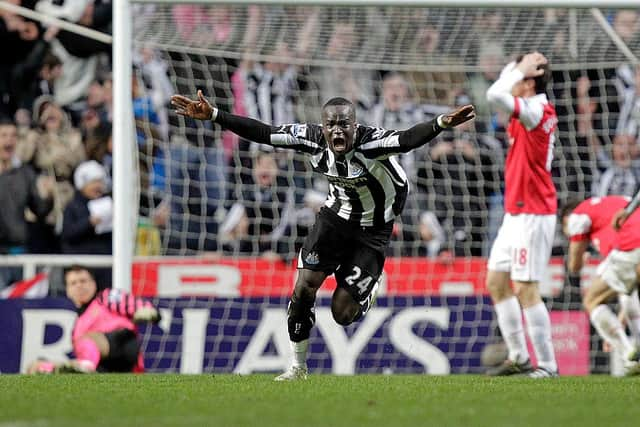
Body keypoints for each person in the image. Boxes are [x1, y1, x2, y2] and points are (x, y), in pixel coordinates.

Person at [171, 90, 475, 380]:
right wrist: (213, 115)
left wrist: (442, 123)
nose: (337, 130)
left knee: (342, 314)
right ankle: (297, 366)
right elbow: (264, 132)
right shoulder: (310, 138)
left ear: (355, 125)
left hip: (374, 229)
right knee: (303, 288)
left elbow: (408, 139)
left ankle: (366, 291)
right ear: (323, 126)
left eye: (344, 124)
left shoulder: (373, 142)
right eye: (331, 124)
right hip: (336, 218)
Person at [484, 52, 559, 378]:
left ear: (528, 82)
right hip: (516, 213)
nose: (511, 76)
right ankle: (519, 357)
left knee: (526, 288)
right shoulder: (527, 106)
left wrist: (522, 69)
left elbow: (493, 93)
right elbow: (502, 83)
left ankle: (548, 366)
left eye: (519, 74)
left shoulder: (534, 110)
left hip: (534, 213)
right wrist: (520, 66)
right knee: (497, 282)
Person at [27, 265, 160, 374]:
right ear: (67, 290)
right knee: (34, 367)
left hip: (123, 343)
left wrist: (146, 310)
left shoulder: (105, 297)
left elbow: (133, 304)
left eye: (83, 281)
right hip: (103, 365)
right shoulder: (77, 327)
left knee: (88, 340)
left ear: (93, 284)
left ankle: (83, 366)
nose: (79, 286)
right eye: (73, 283)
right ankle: (48, 368)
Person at [561, 197, 640, 375]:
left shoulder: (578, 215)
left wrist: (581, 258)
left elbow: (573, 266)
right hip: (632, 252)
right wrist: (617, 325)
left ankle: (629, 356)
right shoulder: (619, 202)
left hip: (631, 248)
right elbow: (626, 291)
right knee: (628, 291)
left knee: (591, 301)